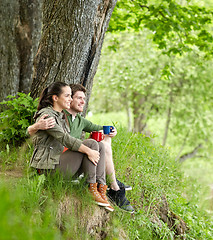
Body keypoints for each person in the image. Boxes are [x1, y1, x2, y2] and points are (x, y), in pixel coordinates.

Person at [28, 83, 134, 213]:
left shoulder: (60, 116)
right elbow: (65, 139)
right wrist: (88, 151)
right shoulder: (48, 116)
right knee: (91, 144)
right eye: (67, 96)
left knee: (98, 144)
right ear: (55, 98)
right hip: (46, 170)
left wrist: (109, 132)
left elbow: (90, 130)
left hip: (58, 164)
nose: (70, 99)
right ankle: (91, 187)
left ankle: (100, 188)